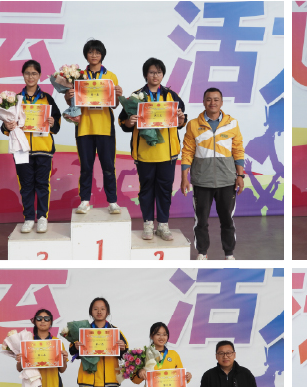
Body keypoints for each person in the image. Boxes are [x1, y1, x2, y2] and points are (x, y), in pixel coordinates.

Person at [118, 58, 187, 240]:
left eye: (158, 72)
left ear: (163, 75)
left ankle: (163, 225)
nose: (155, 75)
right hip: (144, 153)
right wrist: (130, 121)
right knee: (146, 190)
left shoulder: (172, 96)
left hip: (167, 153)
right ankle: (148, 224)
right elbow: (123, 122)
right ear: (145, 74)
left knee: (165, 190)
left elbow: (181, 120)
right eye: (151, 72)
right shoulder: (136, 96)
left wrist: (181, 120)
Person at [180, 88, 246, 260]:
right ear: (203, 102)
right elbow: (187, 152)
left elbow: (238, 150)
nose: (212, 103)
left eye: (216, 99)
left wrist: (240, 176)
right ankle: (202, 253)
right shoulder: (193, 124)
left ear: (221, 102)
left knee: (227, 221)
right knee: (201, 221)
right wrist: (184, 178)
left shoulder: (233, 124)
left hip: (227, 180)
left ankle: (229, 254)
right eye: (209, 99)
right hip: (202, 181)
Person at [63, 39, 124, 214]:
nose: (94, 55)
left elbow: (114, 105)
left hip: (105, 127)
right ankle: (84, 201)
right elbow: (70, 102)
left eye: (97, 52)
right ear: (86, 55)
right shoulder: (78, 76)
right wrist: (68, 95)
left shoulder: (110, 76)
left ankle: (112, 201)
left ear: (102, 54)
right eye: (91, 52)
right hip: (84, 127)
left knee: (108, 167)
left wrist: (118, 95)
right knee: (86, 167)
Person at [1, 60, 60, 234]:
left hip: (43, 149)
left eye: (34, 73)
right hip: (21, 149)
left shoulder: (47, 98)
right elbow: (5, 126)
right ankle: (28, 218)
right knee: (26, 185)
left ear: (39, 75)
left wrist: (52, 122)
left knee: (42, 185)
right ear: (23, 75)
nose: (31, 76)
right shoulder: (14, 100)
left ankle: (42, 217)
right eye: (27, 73)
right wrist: (7, 125)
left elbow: (56, 124)